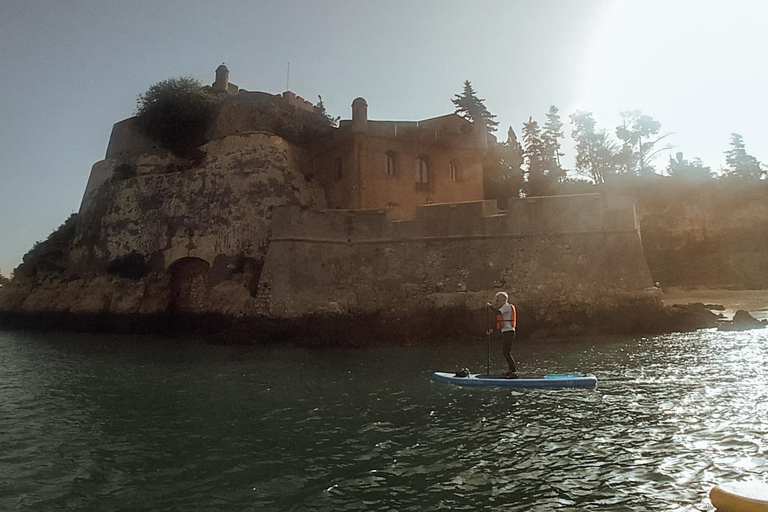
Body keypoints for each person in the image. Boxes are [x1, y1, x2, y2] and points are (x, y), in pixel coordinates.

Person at [486, 291, 518, 378]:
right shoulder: (504, 308)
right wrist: (492, 330)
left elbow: (497, 313)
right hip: (506, 332)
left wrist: (490, 306)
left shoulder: (507, 306)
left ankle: (514, 372)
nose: (497, 301)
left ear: (503, 300)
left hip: (509, 332)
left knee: (506, 352)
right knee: (505, 352)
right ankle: (511, 370)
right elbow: (501, 322)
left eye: (498, 300)